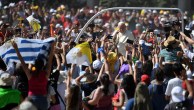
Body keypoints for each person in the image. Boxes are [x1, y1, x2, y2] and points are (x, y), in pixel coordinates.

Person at [11, 40, 55, 110]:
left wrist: (16, 48)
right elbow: (50, 61)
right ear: (43, 66)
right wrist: (52, 47)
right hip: (43, 100)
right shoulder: (46, 74)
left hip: (32, 100)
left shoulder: (30, 74)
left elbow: (22, 61)